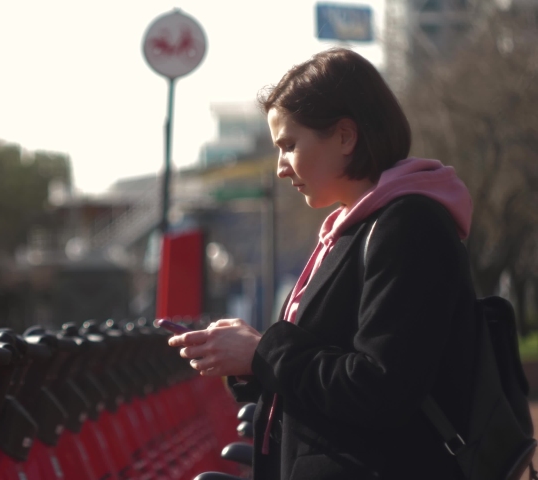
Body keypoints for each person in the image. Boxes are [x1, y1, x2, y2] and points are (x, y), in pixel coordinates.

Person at [168, 48, 478, 479]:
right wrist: (249, 360)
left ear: (346, 136)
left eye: (289, 146)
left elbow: (381, 388)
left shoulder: (408, 226)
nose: (280, 168)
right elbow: (328, 369)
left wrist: (262, 351)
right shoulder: (357, 228)